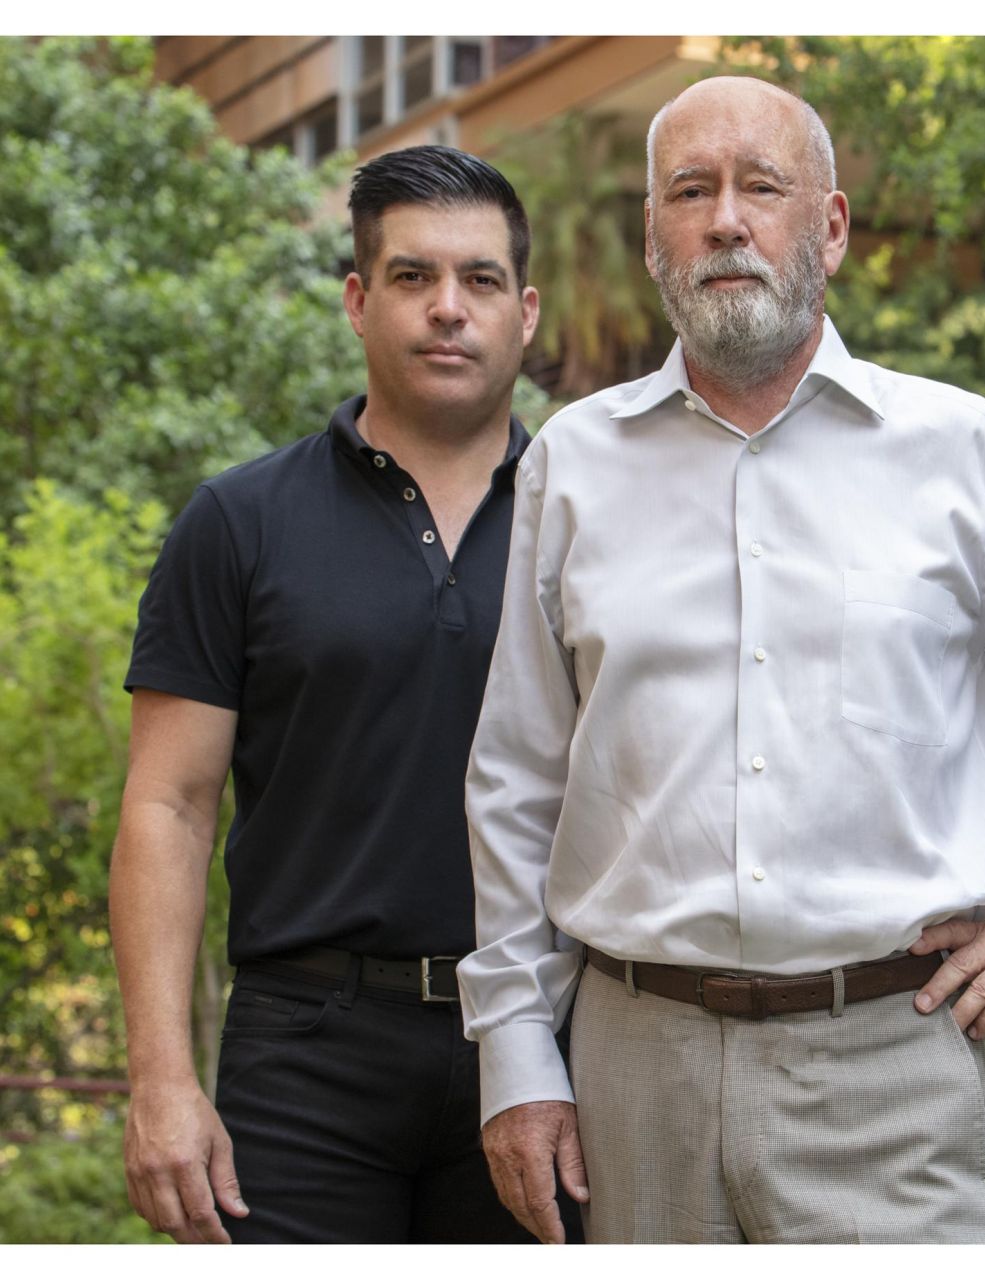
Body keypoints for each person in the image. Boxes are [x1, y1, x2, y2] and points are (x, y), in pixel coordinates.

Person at [456, 77, 985, 1244]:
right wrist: (515, 1052)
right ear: (656, 239)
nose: (725, 221)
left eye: (763, 186)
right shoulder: (573, 467)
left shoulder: (967, 454)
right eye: (690, 192)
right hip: (628, 1072)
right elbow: (515, 778)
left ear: (833, 227)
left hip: (891, 1071)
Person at [109, 145, 575, 1244]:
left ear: (527, 311)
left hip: (545, 1039)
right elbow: (167, 806)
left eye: (481, 280)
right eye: (413, 278)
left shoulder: (594, 520)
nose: (448, 309)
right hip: (304, 1047)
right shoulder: (239, 521)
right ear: (359, 302)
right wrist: (160, 1078)